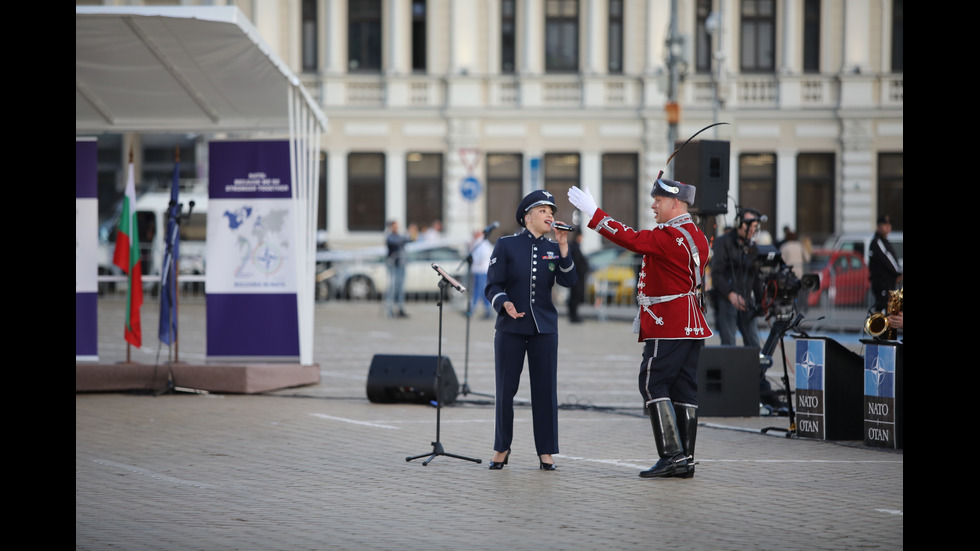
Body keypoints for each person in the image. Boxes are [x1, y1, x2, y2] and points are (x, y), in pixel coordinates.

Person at [568, 178, 712, 479]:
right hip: (691, 322)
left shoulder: (671, 236)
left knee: (652, 382)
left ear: (676, 204)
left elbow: (631, 239)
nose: (653, 205)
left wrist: (595, 213)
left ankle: (672, 456)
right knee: (684, 388)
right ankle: (686, 458)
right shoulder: (697, 235)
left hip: (668, 321)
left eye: (658, 200)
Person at [485, 190, 577, 471]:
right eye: (543, 210)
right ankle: (502, 447)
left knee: (545, 391)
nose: (550, 215)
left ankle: (546, 451)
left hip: (545, 329)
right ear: (527, 217)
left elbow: (569, 280)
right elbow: (492, 286)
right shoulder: (506, 245)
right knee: (505, 390)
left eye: (552, 211)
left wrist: (563, 247)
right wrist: (505, 304)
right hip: (511, 328)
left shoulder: (553, 247)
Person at [709, 208, 765, 351]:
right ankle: (730, 374)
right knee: (729, 345)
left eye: (754, 227)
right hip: (726, 301)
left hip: (747, 302)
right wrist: (731, 294)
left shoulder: (753, 247)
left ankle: (755, 373)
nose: (752, 230)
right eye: (749, 226)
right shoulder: (723, 243)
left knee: (753, 344)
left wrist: (762, 302)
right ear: (739, 223)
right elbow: (716, 274)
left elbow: (757, 277)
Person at [869, 215, 903, 312]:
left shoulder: (885, 241)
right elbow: (888, 260)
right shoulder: (878, 242)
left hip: (888, 284)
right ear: (879, 226)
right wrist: (898, 272)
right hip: (883, 284)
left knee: (891, 312)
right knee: (884, 312)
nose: (888, 227)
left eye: (889, 224)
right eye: (885, 224)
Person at [385, 220, 411, 318]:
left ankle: (400, 308)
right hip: (393, 265)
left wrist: (413, 232)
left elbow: (410, 240)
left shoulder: (400, 236)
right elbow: (397, 242)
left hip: (401, 264)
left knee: (400, 287)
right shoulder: (390, 237)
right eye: (395, 226)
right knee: (392, 287)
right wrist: (405, 237)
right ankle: (390, 309)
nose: (396, 228)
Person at [779, 229, 811, 307]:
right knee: (799, 291)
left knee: (789, 291)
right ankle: (799, 307)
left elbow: (781, 260)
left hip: (788, 274)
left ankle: (790, 306)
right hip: (799, 273)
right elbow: (807, 258)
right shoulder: (799, 246)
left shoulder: (784, 247)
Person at [468, 229, 493, 319]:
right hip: (479, 270)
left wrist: (475, 261)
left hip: (482, 270)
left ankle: (472, 309)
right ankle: (487, 310)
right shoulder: (478, 243)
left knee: (478, 291)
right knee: (481, 291)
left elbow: (481, 256)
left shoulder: (483, 244)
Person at [567, 232, 590, 322]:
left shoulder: (576, 246)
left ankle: (574, 314)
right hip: (576, 276)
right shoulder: (574, 247)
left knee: (576, 295)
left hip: (578, 276)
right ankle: (573, 315)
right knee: (575, 295)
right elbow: (577, 261)